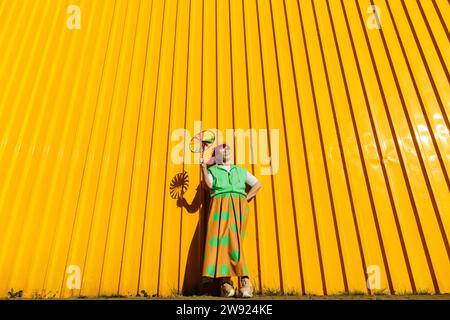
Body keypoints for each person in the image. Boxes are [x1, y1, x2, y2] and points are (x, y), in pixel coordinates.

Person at [200, 143, 262, 298]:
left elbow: (257, 184)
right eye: (221, 152)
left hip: (238, 207)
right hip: (219, 206)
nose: (225, 153)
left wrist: (245, 199)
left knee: (235, 242)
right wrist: (203, 168)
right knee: (221, 243)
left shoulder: (240, 171)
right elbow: (208, 185)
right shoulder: (213, 170)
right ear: (217, 157)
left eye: (227, 151)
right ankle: (226, 283)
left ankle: (244, 281)